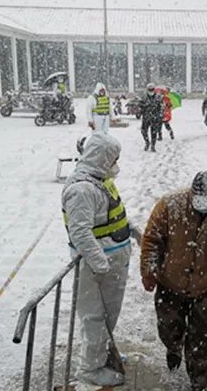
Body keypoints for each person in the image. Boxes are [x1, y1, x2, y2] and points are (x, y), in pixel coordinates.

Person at [140, 170, 207, 391]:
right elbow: (151, 239)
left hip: (206, 283)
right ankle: (174, 347)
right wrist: (149, 271)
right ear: (191, 194)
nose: (206, 207)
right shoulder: (170, 204)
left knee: (203, 337)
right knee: (169, 327)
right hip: (171, 282)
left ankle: (200, 381)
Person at [61, 132, 132, 387]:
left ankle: (103, 354)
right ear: (101, 158)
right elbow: (80, 232)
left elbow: (113, 213)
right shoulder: (81, 190)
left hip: (113, 263)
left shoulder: (101, 180)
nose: (116, 164)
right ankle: (90, 368)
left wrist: (133, 231)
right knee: (94, 318)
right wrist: (100, 264)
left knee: (108, 316)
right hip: (96, 268)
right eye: (113, 159)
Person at [140, 83, 163, 152]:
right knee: (143, 131)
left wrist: (159, 115)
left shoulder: (158, 97)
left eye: (152, 89)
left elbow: (161, 107)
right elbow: (140, 106)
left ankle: (153, 145)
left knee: (154, 132)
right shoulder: (144, 97)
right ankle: (147, 142)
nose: (151, 91)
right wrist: (143, 107)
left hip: (154, 118)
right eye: (149, 89)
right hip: (146, 117)